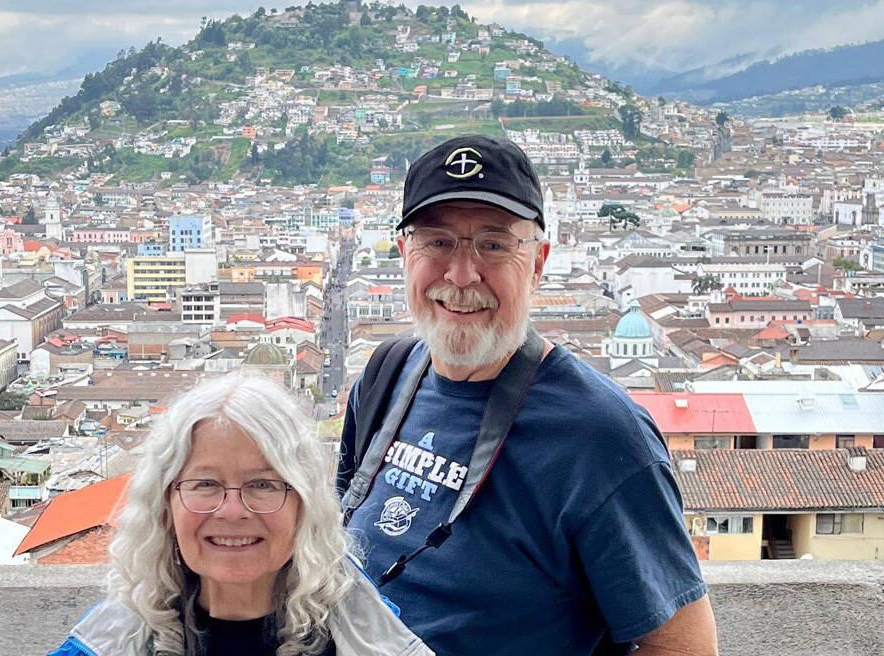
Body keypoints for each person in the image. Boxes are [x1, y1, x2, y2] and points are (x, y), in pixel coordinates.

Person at [337, 135, 718, 655]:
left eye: (493, 244)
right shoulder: (386, 373)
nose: (461, 274)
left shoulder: (599, 435)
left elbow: (682, 646)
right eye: (438, 241)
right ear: (405, 252)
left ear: (537, 263)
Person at [51, 373, 434, 656]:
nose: (232, 511)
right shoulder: (111, 642)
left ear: (304, 506)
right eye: (205, 484)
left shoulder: (366, 638)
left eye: (263, 485)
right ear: (165, 506)